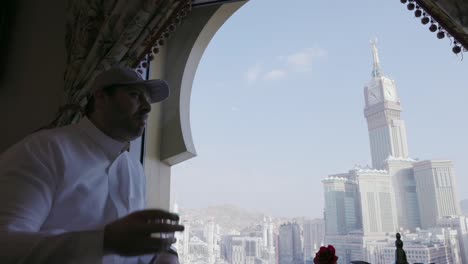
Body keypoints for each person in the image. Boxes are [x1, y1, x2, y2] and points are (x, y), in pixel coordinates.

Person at [0, 66, 184, 264]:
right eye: (135, 95)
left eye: (148, 100)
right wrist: (104, 242)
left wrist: (162, 255)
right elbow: (5, 245)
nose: (147, 107)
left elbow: (128, 247)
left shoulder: (134, 169)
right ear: (101, 97)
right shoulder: (43, 151)